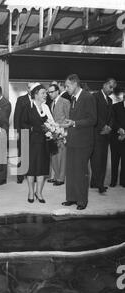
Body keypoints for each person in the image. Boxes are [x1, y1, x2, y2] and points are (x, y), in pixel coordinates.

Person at [61, 74, 97, 210]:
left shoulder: (88, 97)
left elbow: (93, 119)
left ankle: (82, 201)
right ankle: (71, 198)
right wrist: (68, 125)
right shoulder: (73, 98)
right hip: (72, 140)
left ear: (75, 84)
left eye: (68, 86)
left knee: (81, 172)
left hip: (84, 142)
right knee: (70, 171)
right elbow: (75, 120)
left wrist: (74, 122)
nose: (66, 88)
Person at [22, 84, 53, 204]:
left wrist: (52, 129)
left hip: (44, 142)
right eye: (43, 93)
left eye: (46, 93)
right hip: (31, 142)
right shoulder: (27, 107)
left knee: (41, 168)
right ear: (36, 95)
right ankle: (31, 192)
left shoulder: (46, 107)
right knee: (31, 168)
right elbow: (23, 124)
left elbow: (51, 122)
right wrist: (32, 129)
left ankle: (39, 192)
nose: (46, 95)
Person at [90, 78, 117, 194]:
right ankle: (99, 184)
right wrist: (103, 127)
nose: (111, 90)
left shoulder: (110, 100)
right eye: (110, 87)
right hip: (96, 133)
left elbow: (112, 117)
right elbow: (93, 114)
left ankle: (95, 183)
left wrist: (109, 127)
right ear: (104, 84)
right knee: (96, 160)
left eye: (113, 89)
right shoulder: (95, 97)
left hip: (106, 135)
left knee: (103, 160)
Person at [48, 84, 70, 186]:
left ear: (57, 91)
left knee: (62, 157)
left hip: (62, 134)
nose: (50, 94)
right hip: (53, 134)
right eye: (49, 92)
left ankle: (61, 179)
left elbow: (68, 118)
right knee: (54, 156)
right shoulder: (51, 103)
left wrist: (64, 130)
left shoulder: (65, 102)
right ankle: (56, 176)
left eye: (52, 92)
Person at [14, 83, 33, 184]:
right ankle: (20, 175)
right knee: (22, 154)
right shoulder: (21, 99)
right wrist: (16, 131)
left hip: (34, 132)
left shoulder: (38, 99)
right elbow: (16, 116)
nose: (31, 89)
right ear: (27, 88)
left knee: (32, 154)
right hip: (23, 131)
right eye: (29, 87)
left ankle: (31, 174)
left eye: (32, 87)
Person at [110, 90, 125, 188]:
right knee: (114, 160)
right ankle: (113, 181)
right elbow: (112, 120)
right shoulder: (115, 106)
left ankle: (123, 182)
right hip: (115, 137)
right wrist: (119, 129)